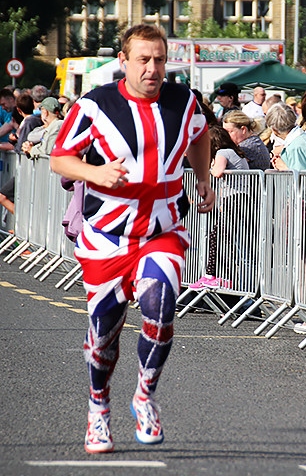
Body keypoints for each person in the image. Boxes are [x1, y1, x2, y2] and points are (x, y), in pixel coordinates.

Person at [50, 24, 214, 454]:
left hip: (163, 231)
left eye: (159, 59)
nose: (153, 68)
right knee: (104, 333)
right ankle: (98, 407)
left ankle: (144, 396)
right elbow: (60, 159)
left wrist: (201, 178)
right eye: (143, 59)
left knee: (160, 309)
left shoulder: (184, 100)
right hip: (107, 236)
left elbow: (199, 136)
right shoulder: (95, 105)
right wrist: (95, 172)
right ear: (123, 62)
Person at [189, 125, 249, 290]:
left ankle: (218, 276)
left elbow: (217, 172)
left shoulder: (223, 153)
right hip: (238, 199)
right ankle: (215, 275)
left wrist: (208, 166)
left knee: (221, 238)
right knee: (222, 237)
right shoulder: (235, 152)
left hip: (234, 199)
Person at [266, 103, 306, 171]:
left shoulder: (295, 146)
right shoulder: (302, 138)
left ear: (274, 130)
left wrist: (284, 167)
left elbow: (301, 178)